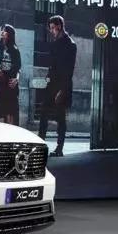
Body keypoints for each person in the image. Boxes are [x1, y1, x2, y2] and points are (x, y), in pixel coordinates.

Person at [39, 15, 76, 157]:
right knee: (43, 113)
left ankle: (59, 148)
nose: (52, 31)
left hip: (62, 86)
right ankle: (40, 144)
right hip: (51, 84)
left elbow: (69, 70)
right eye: (50, 28)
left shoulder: (70, 44)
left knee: (60, 117)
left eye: (53, 28)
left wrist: (62, 90)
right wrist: (48, 77)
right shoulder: (55, 43)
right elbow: (52, 65)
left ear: (59, 26)